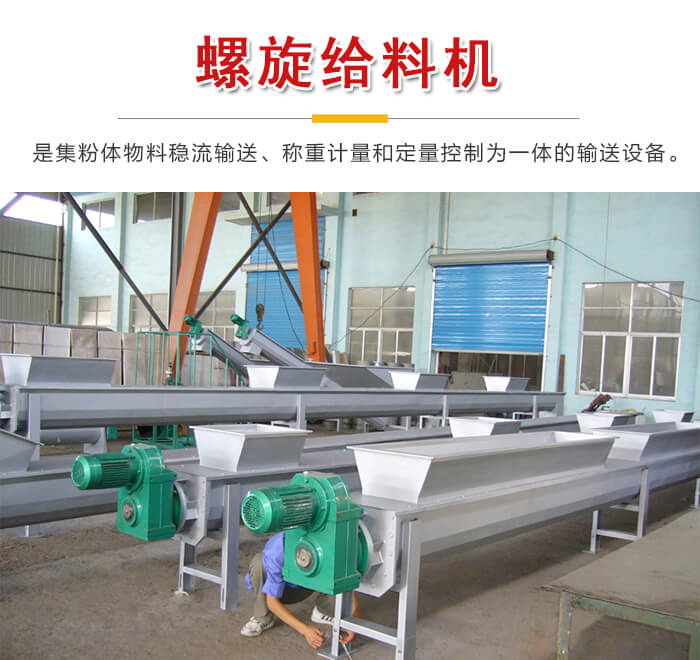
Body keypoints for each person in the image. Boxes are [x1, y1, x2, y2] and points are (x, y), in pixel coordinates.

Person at [241, 531, 360, 649]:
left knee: (335, 570)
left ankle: (323, 610)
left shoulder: (325, 544)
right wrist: (305, 630)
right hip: (282, 589)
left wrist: (352, 623)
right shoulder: (277, 550)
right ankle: (263, 617)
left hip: (306, 585)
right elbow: (272, 602)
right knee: (259, 563)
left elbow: (347, 584)